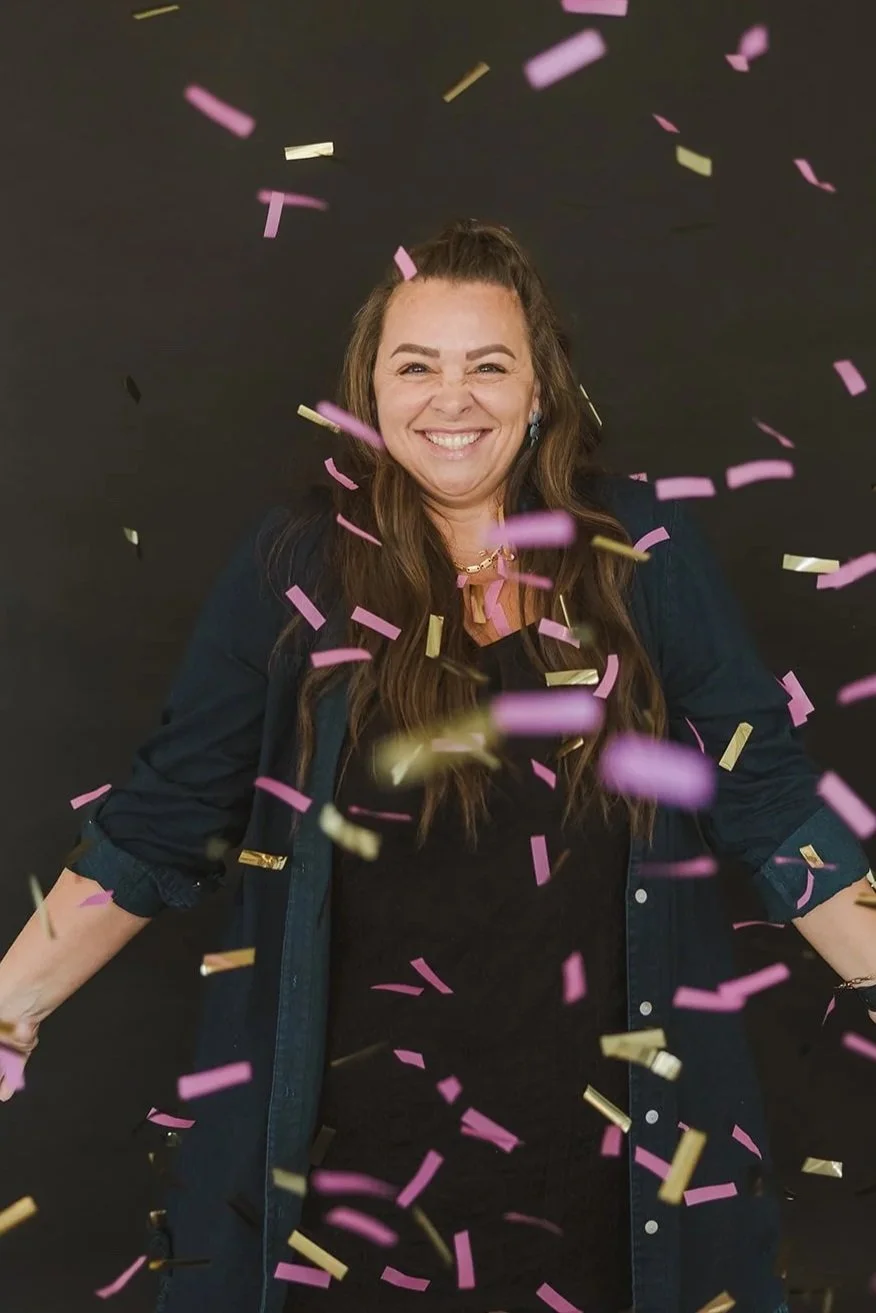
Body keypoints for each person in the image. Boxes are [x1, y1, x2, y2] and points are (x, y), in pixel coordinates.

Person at [0, 219, 873, 1313]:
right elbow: (163, 819)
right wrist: (8, 1005)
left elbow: (769, 796)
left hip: (607, 1174)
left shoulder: (641, 551)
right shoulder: (294, 565)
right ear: (369, 391)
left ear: (539, 390)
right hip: (346, 1184)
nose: (451, 398)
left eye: (488, 365)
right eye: (416, 366)